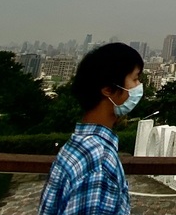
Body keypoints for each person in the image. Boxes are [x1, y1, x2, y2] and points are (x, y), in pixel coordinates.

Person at [38, 42, 144, 215]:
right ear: (108, 90)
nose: (139, 86)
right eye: (135, 79)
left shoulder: (76, 147)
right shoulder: (99, 163)